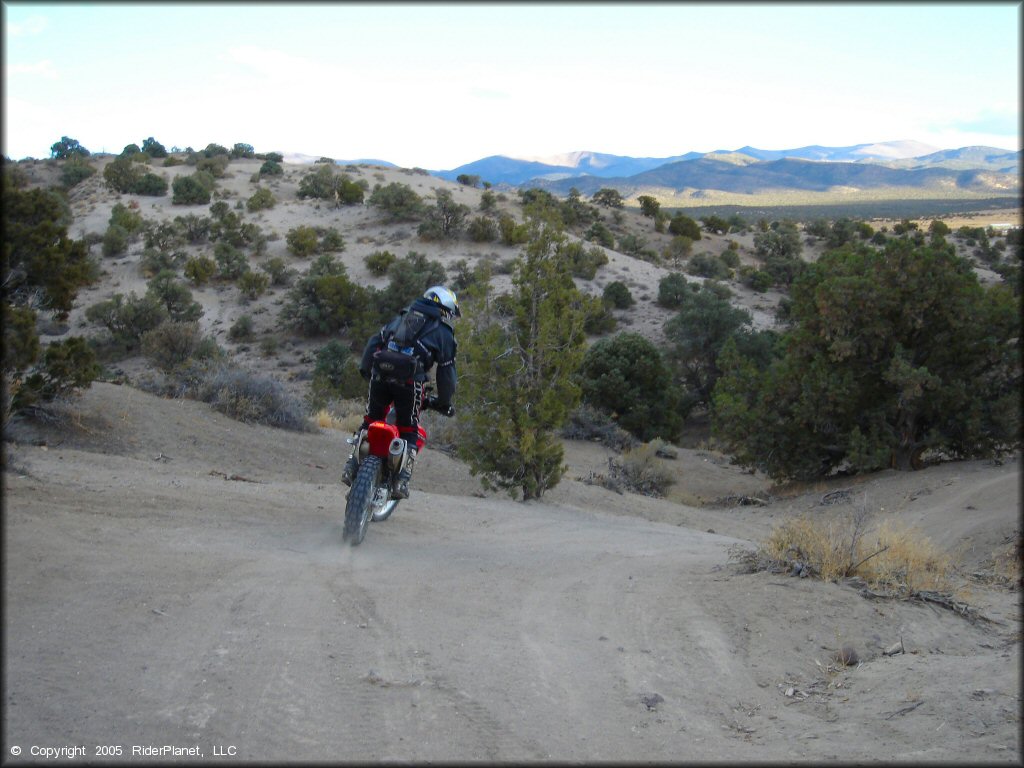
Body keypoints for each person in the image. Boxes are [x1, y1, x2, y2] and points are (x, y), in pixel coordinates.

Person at [341, 285, 460, 499]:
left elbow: (374, 343)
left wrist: (366, 371)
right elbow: (446, 374)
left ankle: (351, 465)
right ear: (444, 309)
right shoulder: (443, 332)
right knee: (408, 429)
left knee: (370, 421)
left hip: (380, 376)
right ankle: (402, 479)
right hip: (409, 383)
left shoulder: (401, 318)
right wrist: (444, 401)